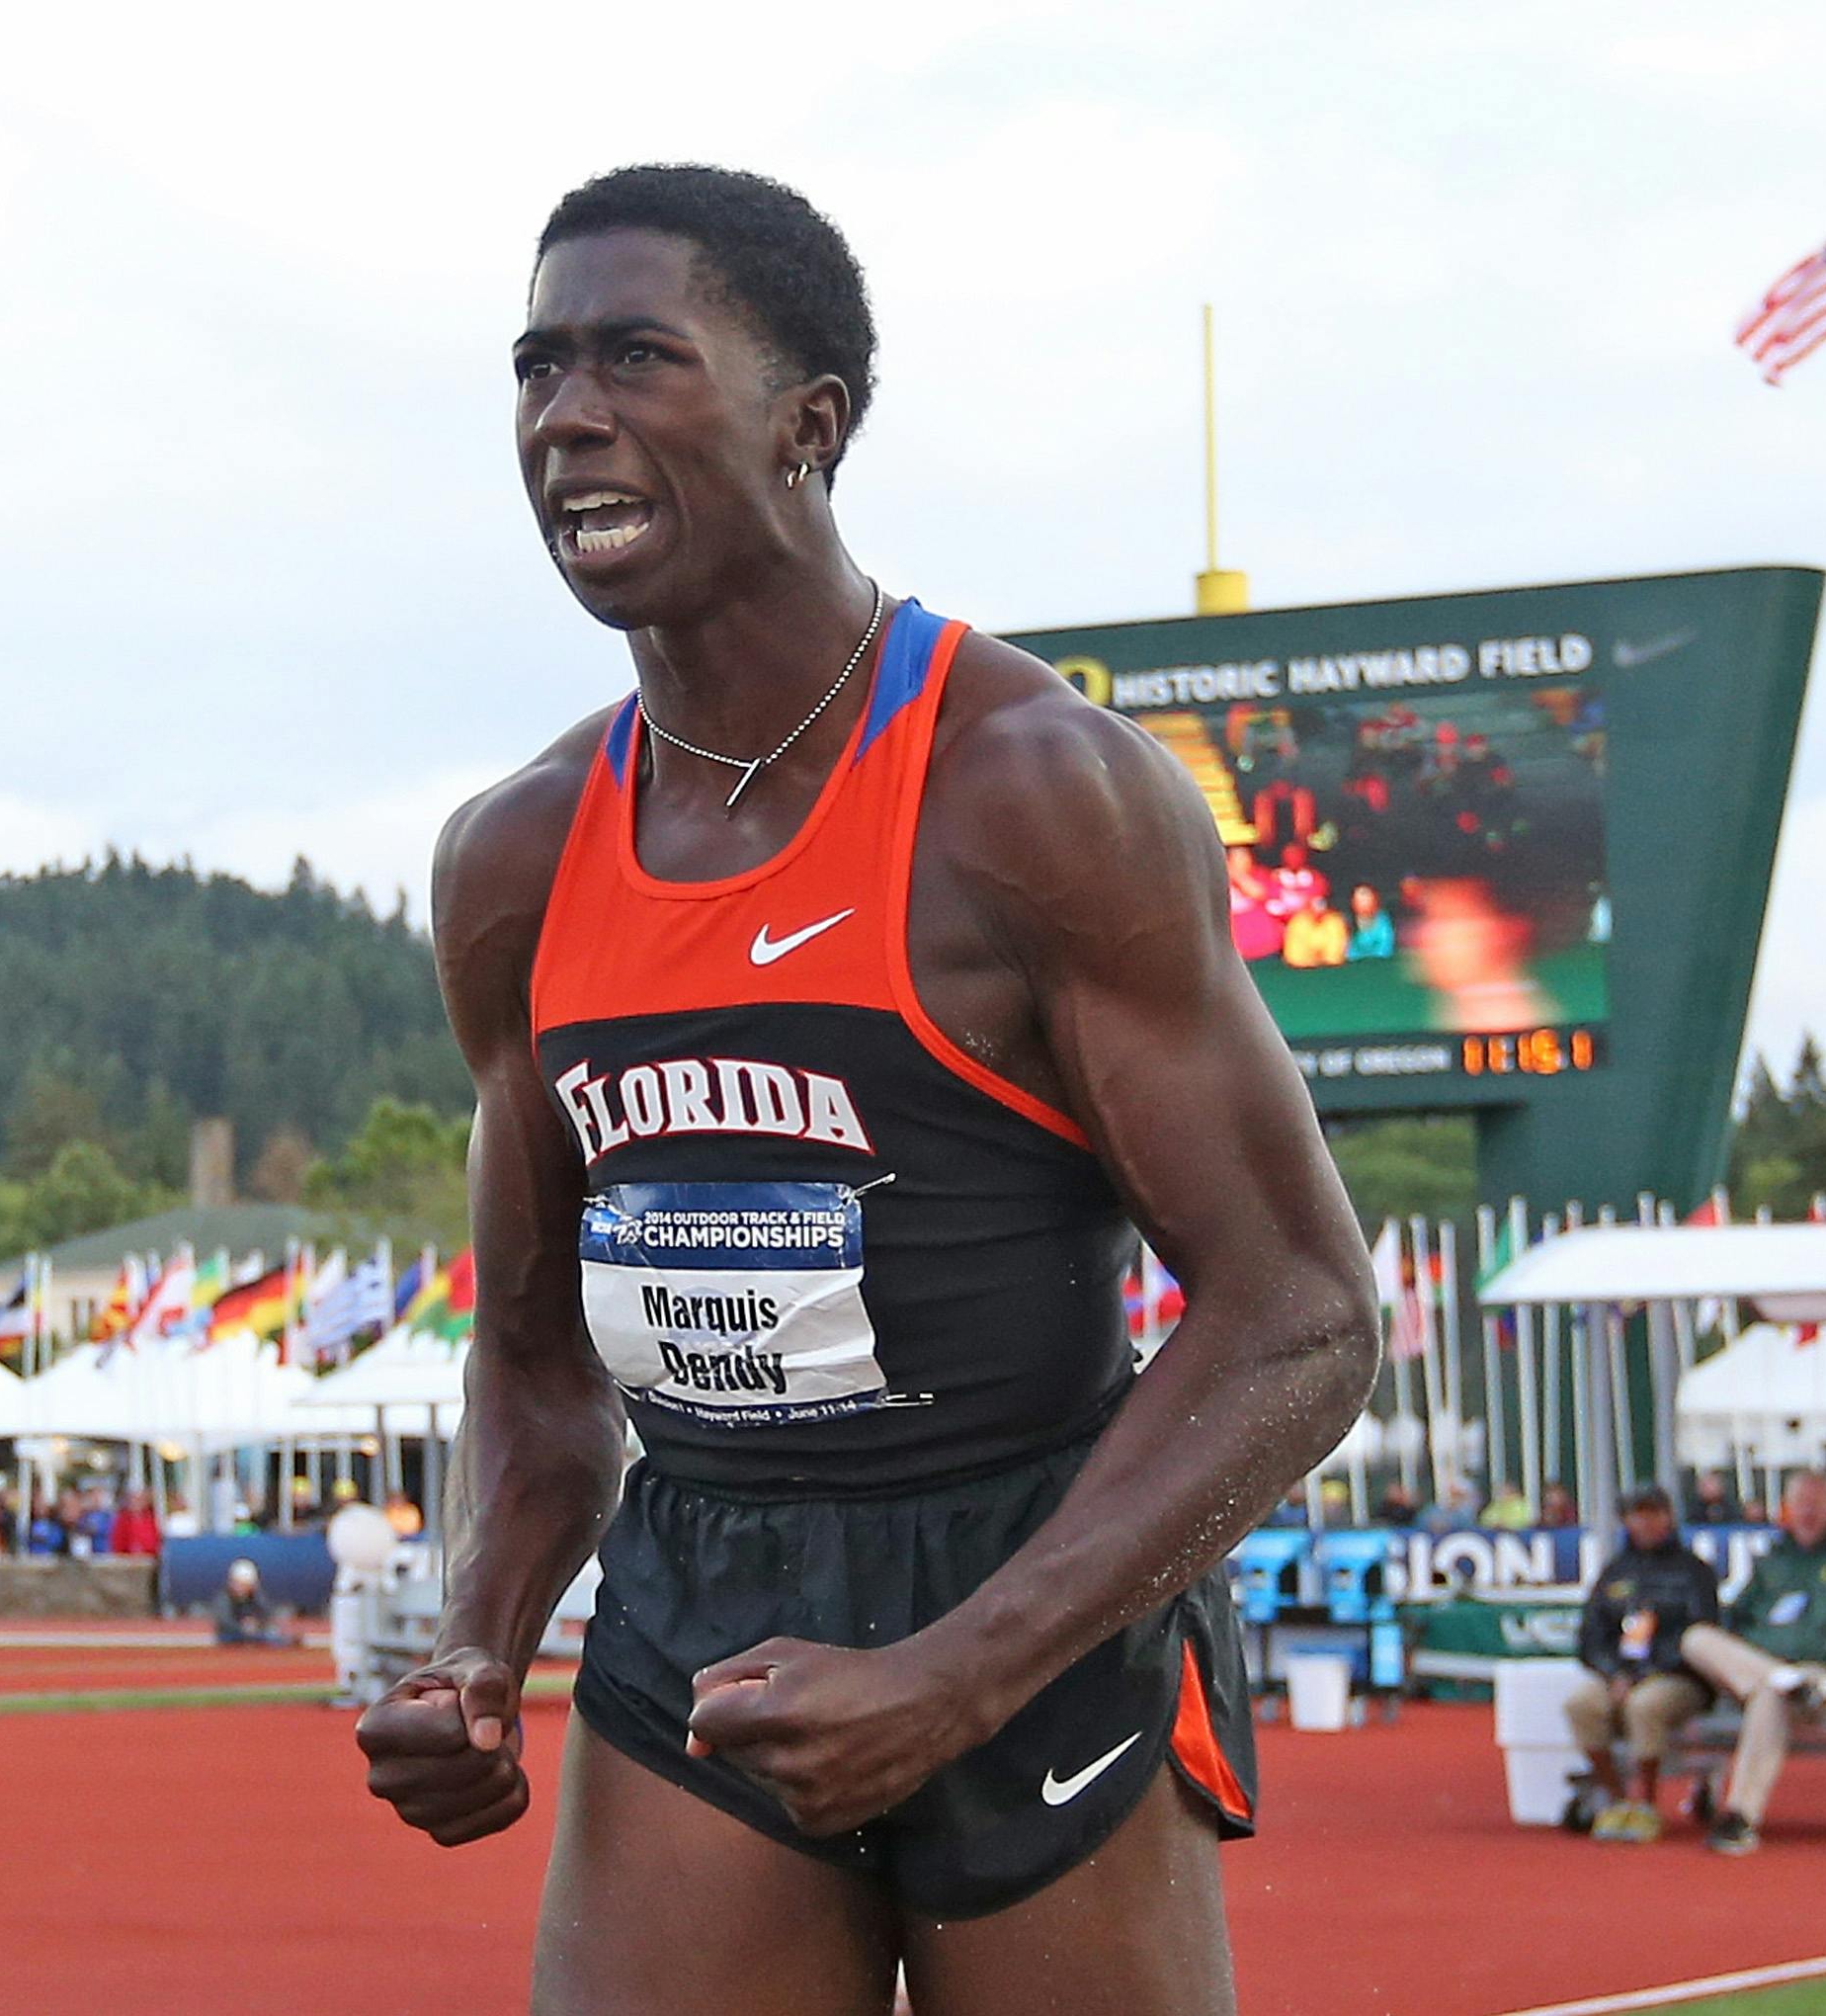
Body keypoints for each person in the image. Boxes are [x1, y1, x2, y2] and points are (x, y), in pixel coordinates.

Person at [354, 164, 1381, 2015]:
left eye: (635, 358)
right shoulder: (516, 864)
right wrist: (478, 1649)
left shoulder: (1034, 795)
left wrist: (967, 1669)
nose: (563, 415)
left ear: (808, 423)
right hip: (706, 1584)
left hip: (1035, 1573)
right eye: (536, 368)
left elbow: (1301, 1312)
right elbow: (533, 1357)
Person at [1674, 1471, 1826, 1854]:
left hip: (1824, 1678)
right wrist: (1765, 1659)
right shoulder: (1773, 1561)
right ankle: (1781, 1679)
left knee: (1770, 1697)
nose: (1807, 1512)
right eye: (1800, 1504)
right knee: (1696, 1638)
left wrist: (1822, 1646)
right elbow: (1738, 1621)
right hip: (1764, 1669)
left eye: (1815, 1503)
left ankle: (1740, 1816)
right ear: (1787, 1509)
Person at [1563, 1486, 1722, 1842]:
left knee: (1644, 1705)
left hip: (1680, 1677)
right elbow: (1591, 1636)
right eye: (1637, 1514)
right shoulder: (1615, 1572)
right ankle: (1618, 1800)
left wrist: (1644, 1674)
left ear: (1668, 1517)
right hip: (1619, 1673)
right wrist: (1614, 1673)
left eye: (1653, 1513)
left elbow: (1700, 1635)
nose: (1645, 1522)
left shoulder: (1694, 1571)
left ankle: (1647, 1804)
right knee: (1581, 1704)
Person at [213, 1558, 294, 1647]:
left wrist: (256, 1623)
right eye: (238, 1584)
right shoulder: (223, 1598)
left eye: (244, 1585)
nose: (240, 1588)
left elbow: (267, 1613)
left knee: (272, 1634)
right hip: (230, 1635)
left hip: (256, 1633)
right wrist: (242, 1627)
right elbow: (224, 1620)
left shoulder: (257, 1596)